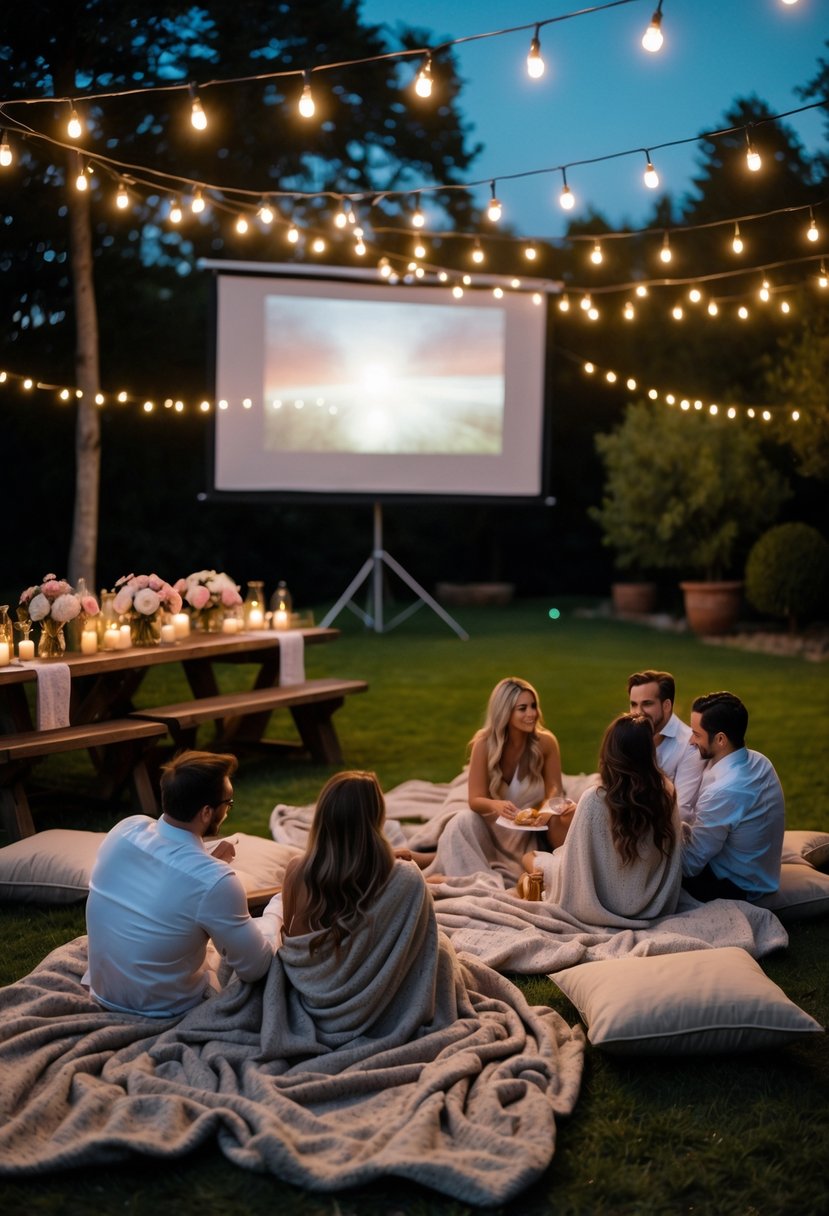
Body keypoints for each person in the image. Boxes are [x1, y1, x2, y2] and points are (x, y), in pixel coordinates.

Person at [84, 750, 280, 1018]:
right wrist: (279, 907)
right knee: (262, 933)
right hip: (164, 1008)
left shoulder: (126, 829)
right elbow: (256, 966)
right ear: (207, 812)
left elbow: (162, 880)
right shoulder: (215, 881)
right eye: (229, 803)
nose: (228, 809)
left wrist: (205, 861)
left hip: (103, 991)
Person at [278, 771, 443, 1046]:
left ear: (323, 817)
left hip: (312, 1004)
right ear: (375, 818)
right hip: (379, 1007)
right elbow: (418, 949)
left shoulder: (297, 870)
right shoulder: (406, 878)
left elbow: (292, 947)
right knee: (443, 952)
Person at [525, 713, 682, 926]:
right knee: (550, 861)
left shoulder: (595, 799)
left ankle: (532, 883)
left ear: (610, 752)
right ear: (648, 752)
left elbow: (575, 863)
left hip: (599, 901)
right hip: (649, 902)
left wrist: (581, 812)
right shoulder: (666, 794)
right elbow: (671, 859)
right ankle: (535, 881)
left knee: (530, 857)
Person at [426, 677, 573, 887]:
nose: (531, 714)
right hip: (493, 825)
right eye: (522, 708)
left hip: (526, 835)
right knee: (460, 821)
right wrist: (496, 805)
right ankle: (447, 868)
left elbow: (555, 787)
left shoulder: (546, 742)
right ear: (505, 711)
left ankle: (445, 868)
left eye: (533, 706)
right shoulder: (483, 744)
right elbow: (475, 799)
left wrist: (548, 807)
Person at [682, 691, 785, 902]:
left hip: (736, 887)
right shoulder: (759, 761)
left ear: (720, 739)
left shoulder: (725, 790)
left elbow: (689, 865)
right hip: (758, 873)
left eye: (697, 734)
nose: (691, 741)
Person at [628, 669, 706, 821]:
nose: (638, 712)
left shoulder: (689, 746)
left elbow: (681, 811)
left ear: (667, 705)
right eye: (633, 704)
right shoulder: (627, 736)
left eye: (647, 704)